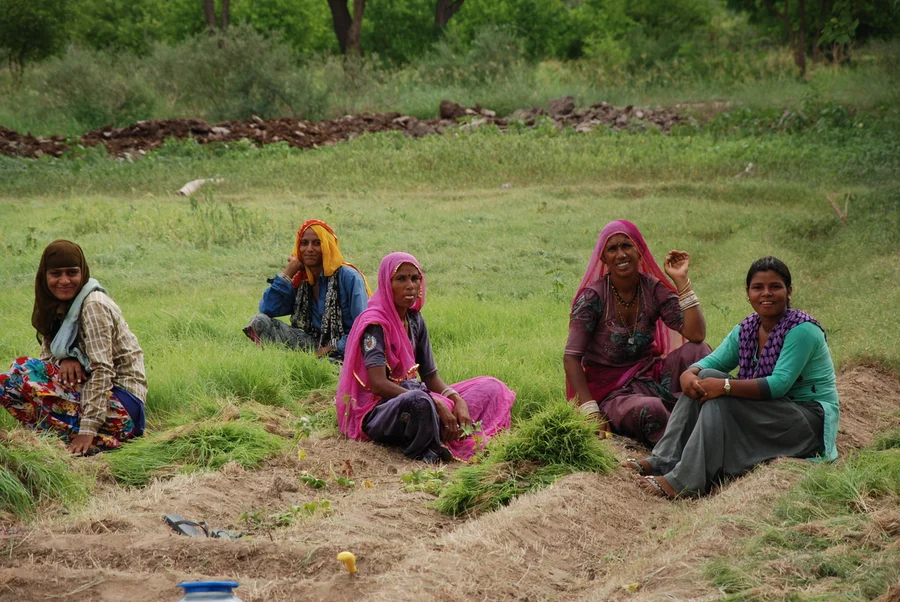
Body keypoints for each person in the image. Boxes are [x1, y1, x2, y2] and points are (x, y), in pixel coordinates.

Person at [629, 256, 839, 498]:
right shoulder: (748, 328)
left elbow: (779, 385)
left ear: (789, 291)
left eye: (775, 287)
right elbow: (713, 362)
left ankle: (683, 482)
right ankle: (662, 461)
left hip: (807, 421)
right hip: (773, 412)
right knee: (703, 379)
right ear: (747, 293)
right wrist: (690, 373)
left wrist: (726, 386)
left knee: (720, 397)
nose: (766, 294)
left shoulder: (803, 330)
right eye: (758, 287)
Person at [336, 252, 516, 462]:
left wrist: (456, 399)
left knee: (491, 386)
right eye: (401, 279)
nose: (410, 285)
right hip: (380, 410)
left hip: (416, 393)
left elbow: (430, 376)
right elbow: (377, 384)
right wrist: (436, 402)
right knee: (420, 402)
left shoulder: (415, 320)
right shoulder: (375, 325)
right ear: (387, 283)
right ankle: (432, 445)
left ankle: (446, 430)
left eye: (415, 278)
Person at [563, 220, 710, 446]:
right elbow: (571, 357)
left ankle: (708, 420)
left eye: (627, 246)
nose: (621, 254)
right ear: (603, 258)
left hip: (649, 374)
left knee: (700, 352)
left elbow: (696, 334)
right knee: (651, 410)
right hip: (612, 392)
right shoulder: (592, 298)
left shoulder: (652, 288)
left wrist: (681, 281)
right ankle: (689, 447)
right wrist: (590, 410)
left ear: (639, 251)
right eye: (612, 249)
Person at [0, 240, 147, 455]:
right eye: (56, 274)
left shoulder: (93, 305)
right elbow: (48, 361)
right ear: (45, 276)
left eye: (72, 272)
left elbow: (103, 370)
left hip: (123, 407)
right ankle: (78, 443)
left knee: (22, 369)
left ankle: (91, 438)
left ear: (83, 273)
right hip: (93, 398)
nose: (64, 281)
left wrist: (87, 429)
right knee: (7, 384)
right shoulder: (56, 306)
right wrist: (66, 359)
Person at [244, 219, 370, 360]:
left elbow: (365, 326)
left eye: (317, 243)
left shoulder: (348, 277)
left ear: (328, 247)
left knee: (330, 365)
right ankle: (300, 363)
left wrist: (332, 347)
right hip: (314, 343)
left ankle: (323, 364)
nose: (309, 249)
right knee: (259, 321)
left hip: (347, 346)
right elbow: (267, 309)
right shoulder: (301, 280)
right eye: (304, 243)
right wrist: (287, 274)